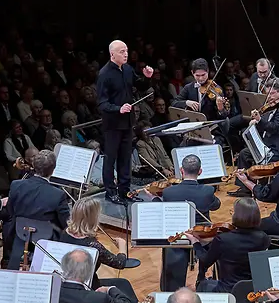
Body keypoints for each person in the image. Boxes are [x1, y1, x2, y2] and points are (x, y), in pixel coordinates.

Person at [191, 197, 271, 303]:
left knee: (203, 284)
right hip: (254, 295)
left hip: (227, 294)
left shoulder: (224, 240)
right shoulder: (263, 239)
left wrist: (196, 244)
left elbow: (205, 261)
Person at [97, 39, 155, 205]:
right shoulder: (104, 74)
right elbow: (102, 103)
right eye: (122, 51)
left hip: (128, 122)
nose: (125, 54)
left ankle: (125, 190)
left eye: (126, 51)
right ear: (112, 54)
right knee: (110, 159)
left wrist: (147, 78)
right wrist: (118, 108)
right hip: (113, 124)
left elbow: (140, 85)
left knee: (126, 158)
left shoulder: (128, 69)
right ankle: (110, 192)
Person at [160, 155, 221, 287]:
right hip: (203, 236)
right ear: (200, 171)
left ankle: (172, 288)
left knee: (170, 249)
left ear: (181, 170)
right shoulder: (207, 190)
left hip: (179, 235)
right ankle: (203, 276)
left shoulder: (169, 192)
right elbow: (216, 205)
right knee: (218, 244)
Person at [5, 150, 71, 269]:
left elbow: (10, 211)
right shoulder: (58, 194)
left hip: (19, 237)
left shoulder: (16, 185)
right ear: (53, 169)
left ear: (34, 166)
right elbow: (66, 223)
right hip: (46, 242)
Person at [59, 196, 139, 277]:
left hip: (68, 277)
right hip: (88, 282)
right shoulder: (92, 245)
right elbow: (119, 263)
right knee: (124, 283)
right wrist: (122, 246)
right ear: (93, 218)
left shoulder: (66, 231)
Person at [172, 58, 229, 122]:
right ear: (192, 73)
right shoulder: (188, 88)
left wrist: (220, 108)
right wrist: (187, 102)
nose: (201, 78)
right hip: (193, 125)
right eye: (197, 75)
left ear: (208, 71)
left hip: (211, 127)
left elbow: (223, 117)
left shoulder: (216, 89)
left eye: (203, 75)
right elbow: (174, 103)